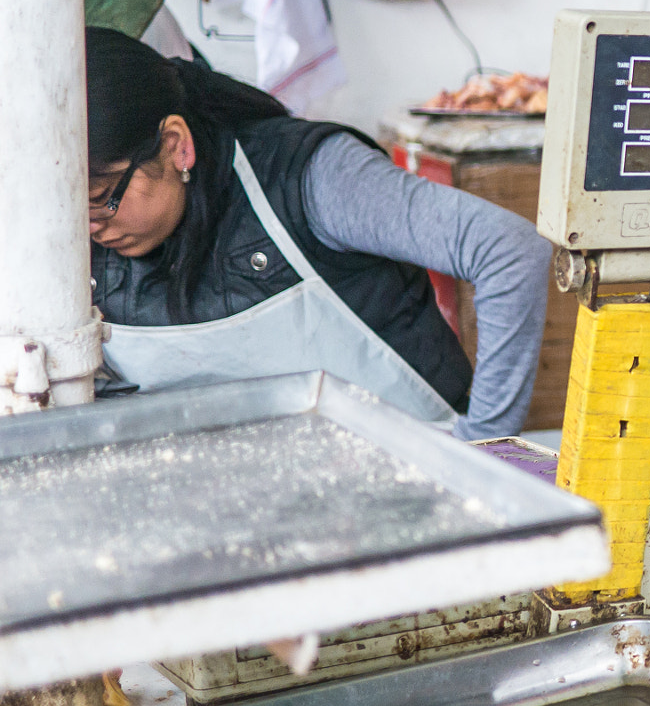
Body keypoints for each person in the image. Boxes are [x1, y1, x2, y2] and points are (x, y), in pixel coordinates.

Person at [86, 27, 553, 439]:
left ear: (175, 146)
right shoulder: (70, 243)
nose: (89, 227)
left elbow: (507, 251)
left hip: (416, 480)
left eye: (102, 197)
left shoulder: (309, 177)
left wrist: (486, 448)